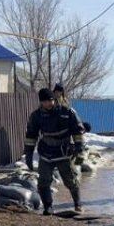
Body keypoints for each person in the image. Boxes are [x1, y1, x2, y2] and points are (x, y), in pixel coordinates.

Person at [24, 87, 85, 215]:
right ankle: (48, 206)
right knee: (43, 182)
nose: (48, 104)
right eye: (45, 101)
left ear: (54, 99)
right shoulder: (36, 116)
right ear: (41, 102)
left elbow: (78, 131)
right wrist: (28, 154)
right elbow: (31, 135)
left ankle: (77, 203)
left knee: (70, 180)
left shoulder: (67, 112)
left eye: (50, 100)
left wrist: (80, 150)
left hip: (64, 152)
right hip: (46, 152)